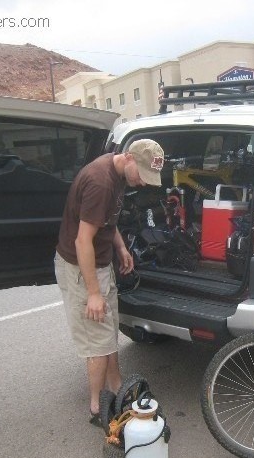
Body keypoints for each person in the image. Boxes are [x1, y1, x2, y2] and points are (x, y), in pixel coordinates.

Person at [54, 139, 164, 426]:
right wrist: (92, 292)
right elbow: (82, 241)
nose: (143, 183)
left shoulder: (118, 176)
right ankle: (96, 408)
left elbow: (107, 221)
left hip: (101, 262)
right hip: (82, 267)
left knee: (108, 328)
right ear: (128, 157)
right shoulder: (101, 183)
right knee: (98, 341)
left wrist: (120, 248)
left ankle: (117, 387)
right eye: (141, 174)